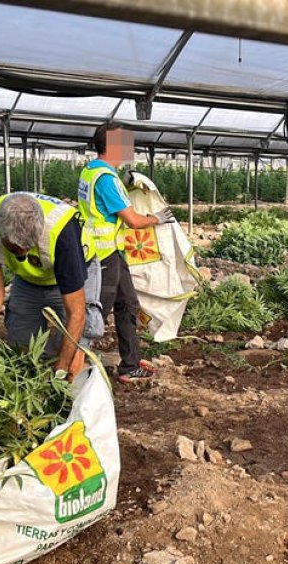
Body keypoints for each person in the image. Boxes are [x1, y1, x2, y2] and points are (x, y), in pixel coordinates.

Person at [0, 192, 103, 380]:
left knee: (73, 356)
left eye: (28, 247)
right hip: (27, 279)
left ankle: (73, 394)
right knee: (21, 350)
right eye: (15, 249)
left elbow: (76, 313)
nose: (22, 254)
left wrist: (61, 371)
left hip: (77, 273)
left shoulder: (62, 233)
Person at [78, 123, 173, 384]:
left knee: (127, 303)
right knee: (98, 309)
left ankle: (130, 364)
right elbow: (132, 220)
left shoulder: (91, 171)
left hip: (110, 251)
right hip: (104, 253)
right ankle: (73, 363)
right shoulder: (106, 179)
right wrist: (157, 218)